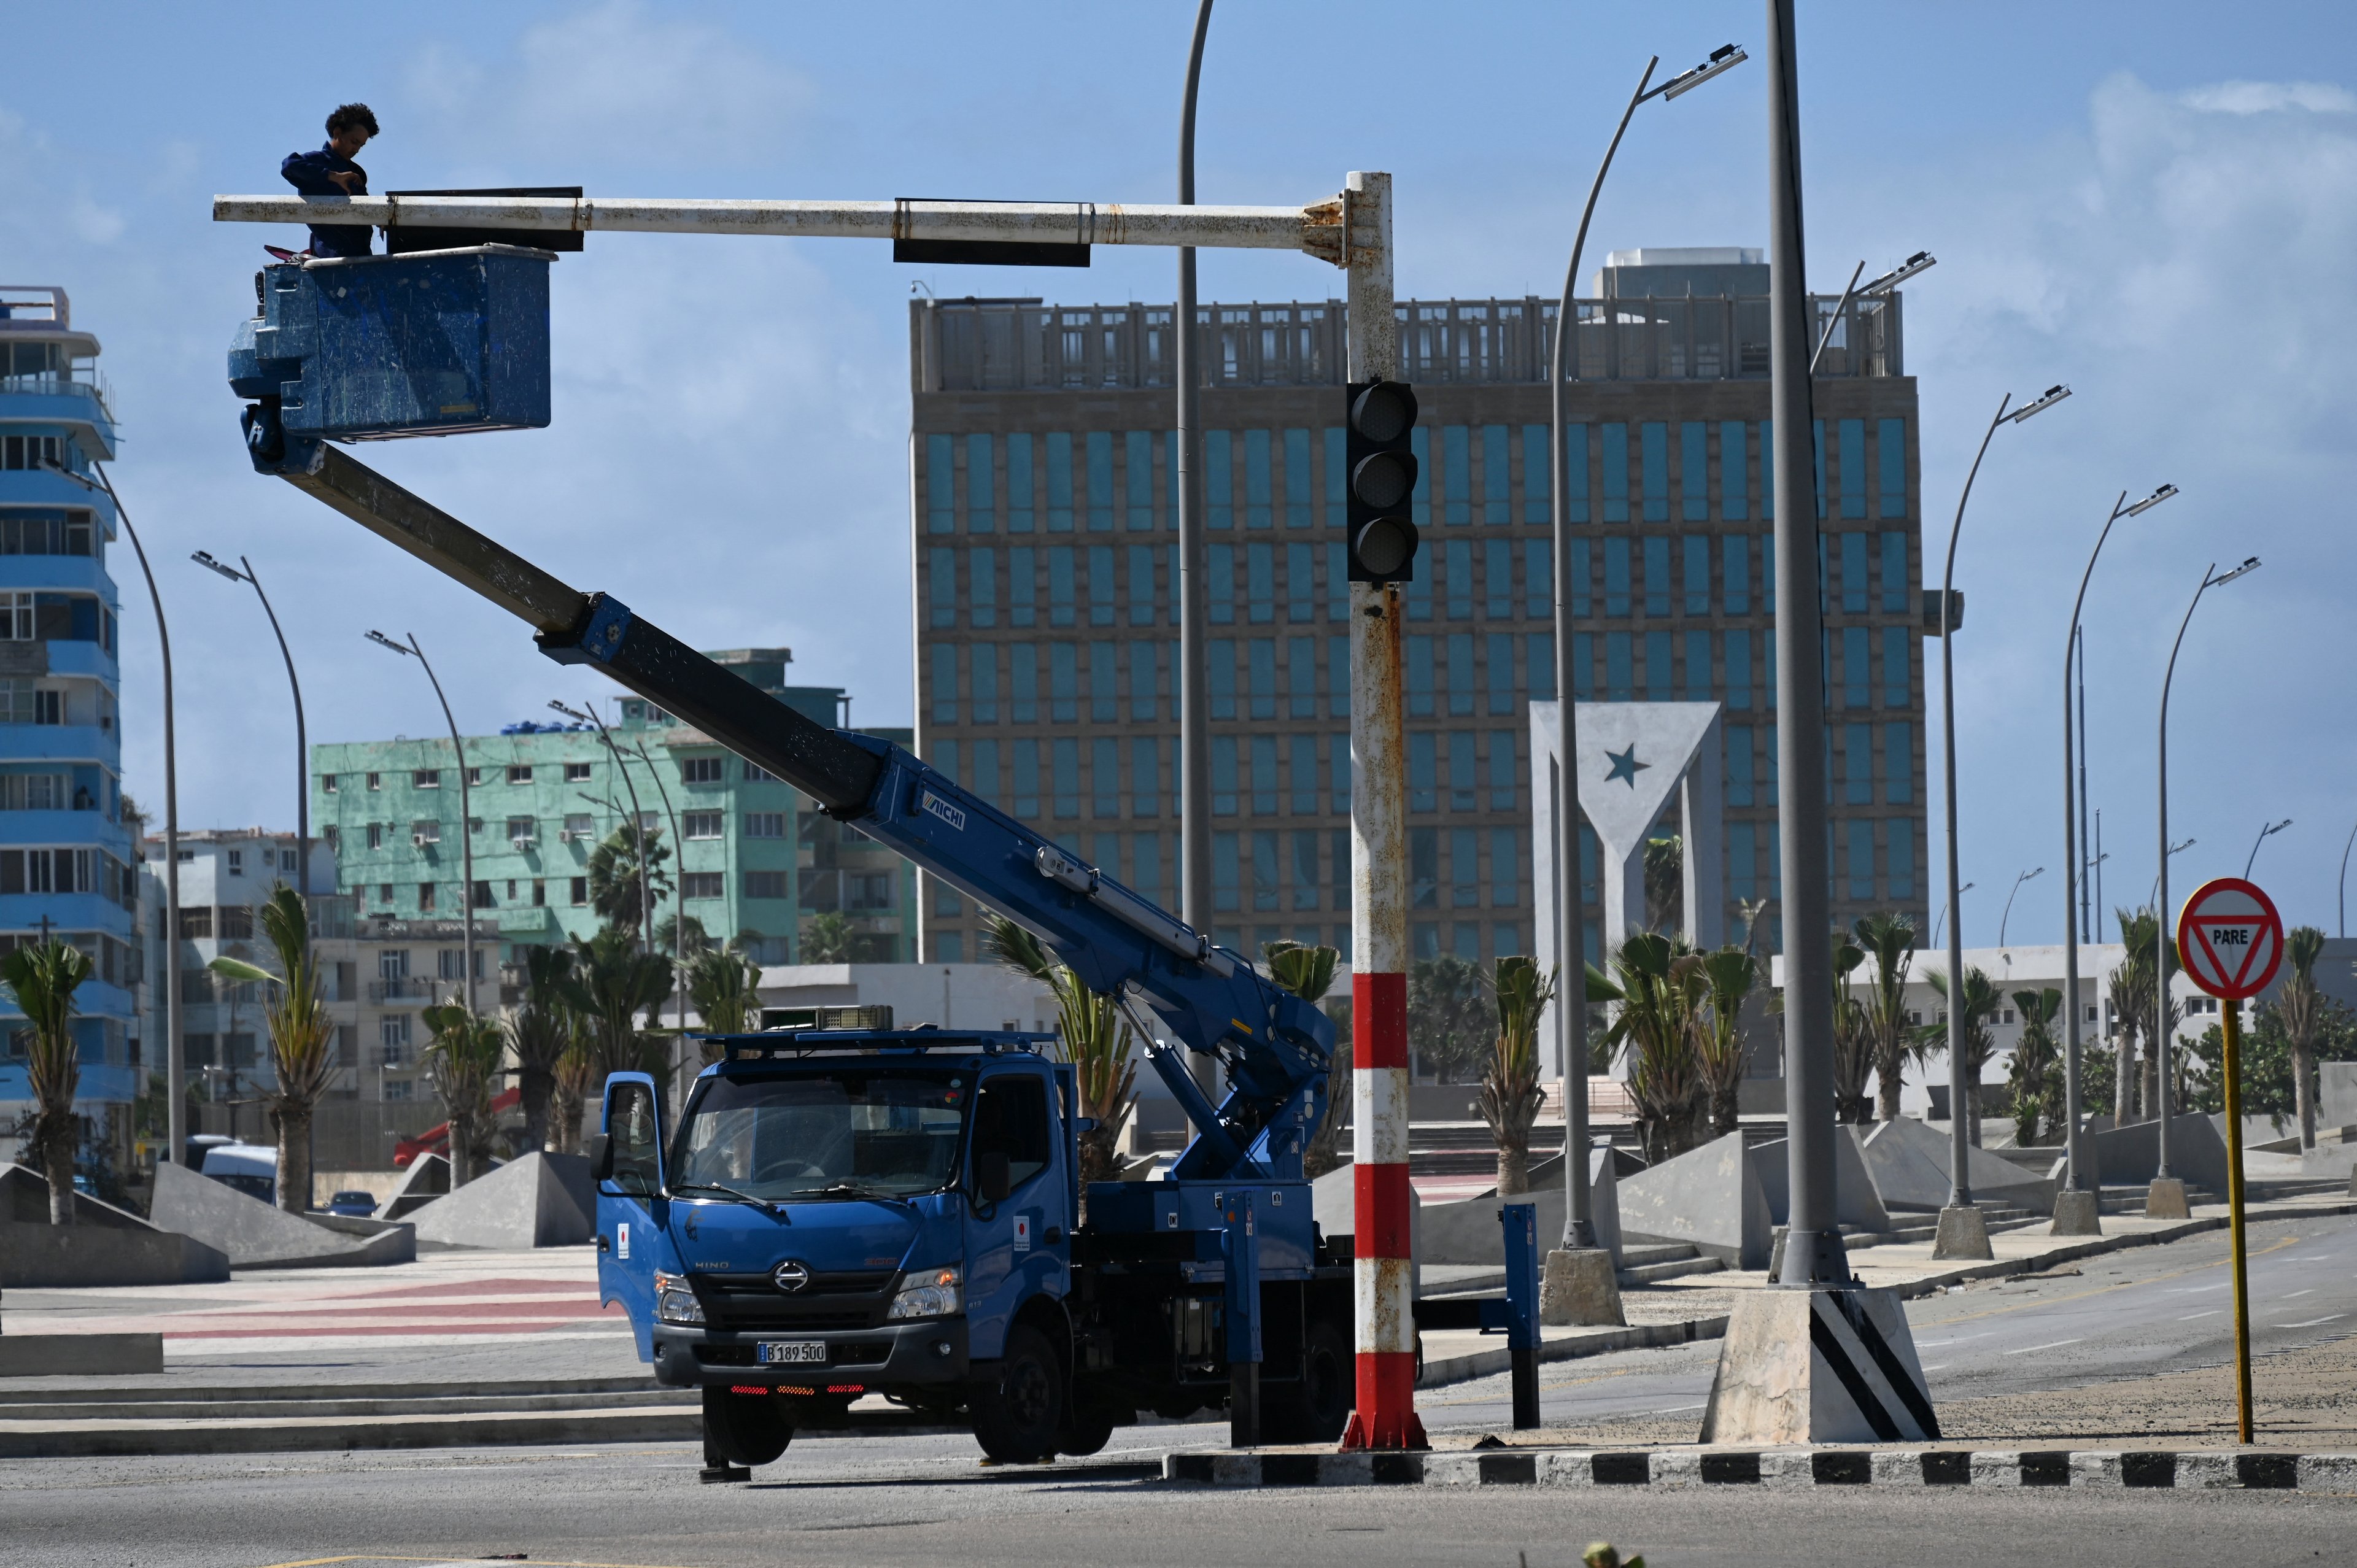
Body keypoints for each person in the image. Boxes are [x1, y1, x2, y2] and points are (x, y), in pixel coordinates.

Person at [279, 104, 379, 259]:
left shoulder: (357, 173)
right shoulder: (317, 161)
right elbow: (289, 166)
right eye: (354, 142)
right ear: (338, 132)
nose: (357, 149)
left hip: (362, 255)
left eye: (361, 145)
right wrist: (333, 176)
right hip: (331, 257)